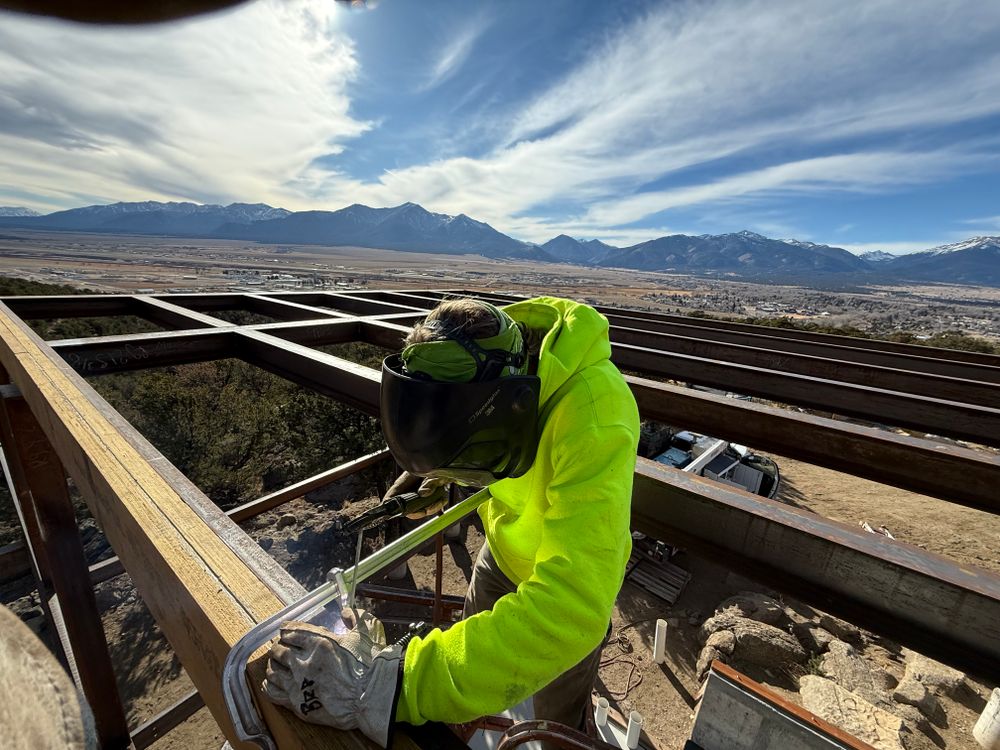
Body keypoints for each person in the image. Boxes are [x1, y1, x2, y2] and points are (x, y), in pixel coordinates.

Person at [264, 296, 640, 747]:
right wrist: (443, 479)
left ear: (510, 406)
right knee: (474, 663)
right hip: (501, 556)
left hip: (562, 592)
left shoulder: (596, 417)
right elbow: (495, 458)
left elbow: (571, 605)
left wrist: (395, 686)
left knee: (555, 723)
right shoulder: (500, 375)